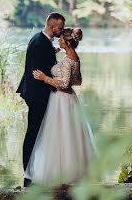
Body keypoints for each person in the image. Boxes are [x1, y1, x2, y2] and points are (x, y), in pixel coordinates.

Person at [25, 28, 95, 184]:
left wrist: (44, 78)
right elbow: (77, 81)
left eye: (61, 39)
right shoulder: (73, 58)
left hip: (61, 100)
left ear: (67, 42)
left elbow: (63, 83)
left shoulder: (67, 60)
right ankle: (72, 172)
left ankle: (60, 174)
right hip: (70, 100)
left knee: (60, 135)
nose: (59, 40)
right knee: (69, 136)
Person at [16, 12, 67, 187]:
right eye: (60, 27)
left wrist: (53, 52)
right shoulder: (40, 43)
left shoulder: (41, 40)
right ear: (52, 26)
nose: (62, 30)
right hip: (37, 94)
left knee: (37, 132)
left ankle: (33, 171)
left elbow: (43, 62)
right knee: (33, 132)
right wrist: (56, 85)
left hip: (36, 92)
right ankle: (29, 173)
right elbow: (38, 71)